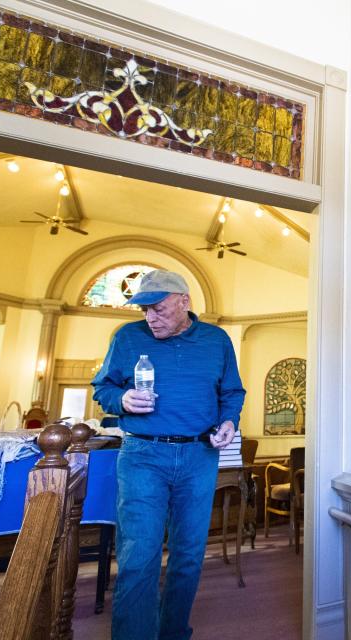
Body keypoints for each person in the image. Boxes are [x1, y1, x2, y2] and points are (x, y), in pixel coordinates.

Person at [92, 270, 245, 640]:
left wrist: (228, 421)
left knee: (189, 557)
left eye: (158, 308)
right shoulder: (127, 337)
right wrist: (121, 399)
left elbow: (232, 392)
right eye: (144, 309)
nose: (150, 317)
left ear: (184, 302)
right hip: (143, 455)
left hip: (199, 456)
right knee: (138, 558)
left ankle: (173, 632)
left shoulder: (217, 340)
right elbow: (104, 387)